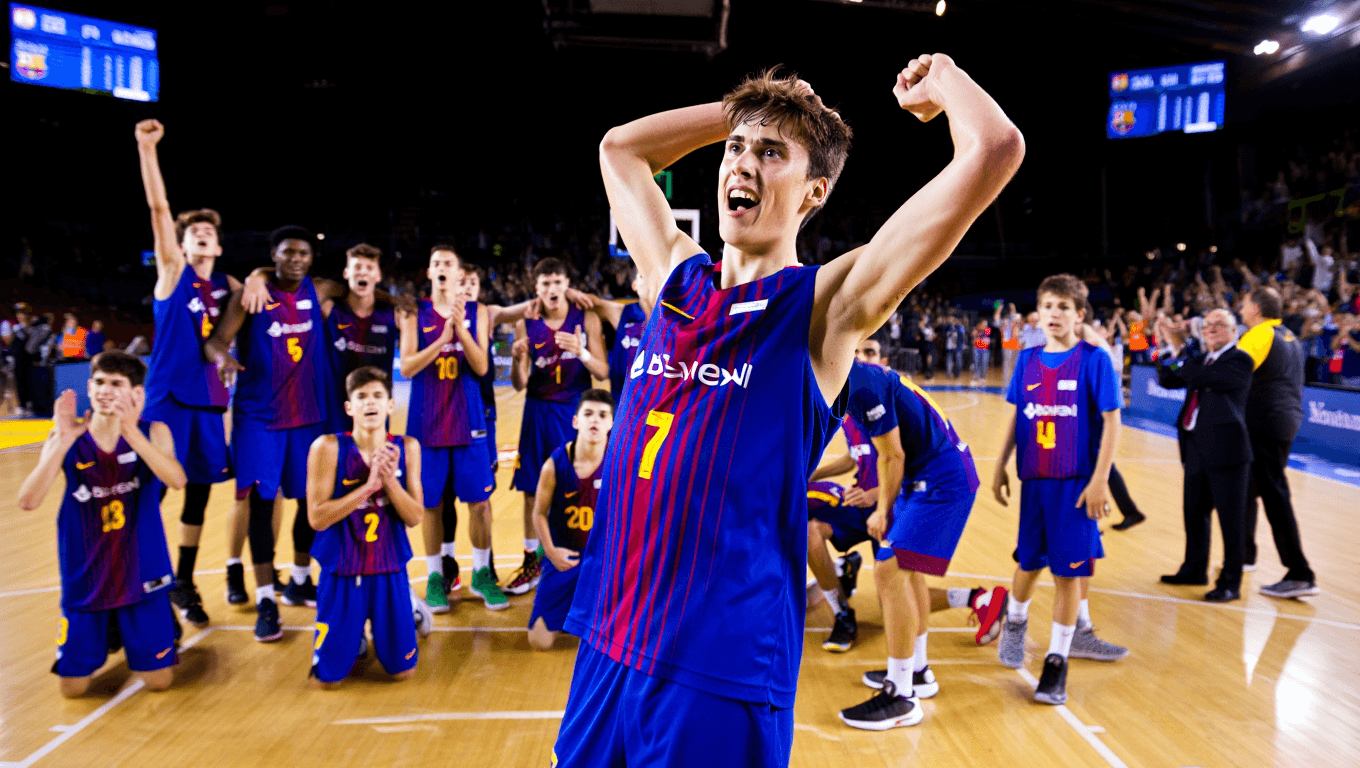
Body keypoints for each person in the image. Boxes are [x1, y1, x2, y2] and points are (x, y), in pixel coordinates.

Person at [556, 56, 1023, 764]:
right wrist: (748, 112)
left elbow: (993, 149)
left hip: (717, 665)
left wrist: (945, 81)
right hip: (611, 639)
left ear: (814, 193)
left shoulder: (822, 310)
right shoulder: (672, 281)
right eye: (737, 149)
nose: (743, 162)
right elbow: (620, 148)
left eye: (771, 153)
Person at [17, 352, 187, 697]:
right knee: (72, 689)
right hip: (87, 570)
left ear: (136, 392)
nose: (105, 390)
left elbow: (177, 480)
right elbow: (28, 501)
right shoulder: (67, 437)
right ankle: (113, 624)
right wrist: (62, 442)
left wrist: (131, 432)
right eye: (99, 382)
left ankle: (155, 622)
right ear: (88, 387)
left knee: (158, 682)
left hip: (142, 568)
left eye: (116, 384)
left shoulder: (153, 431)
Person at [991, 274, 1121, 706]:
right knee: (1028, 563)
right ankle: (1014, 622)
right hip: (1035, 482)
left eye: (1064, 307)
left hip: (1076, 485)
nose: (1055, 314)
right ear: (1038, 313)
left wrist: (1101, 479)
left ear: (1080, 315)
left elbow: (1113, 421)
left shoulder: (1094, 360)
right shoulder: (1026, 361)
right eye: (1048, 306)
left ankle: (1056, 661)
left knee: (1069, 573)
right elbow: (1016, 417)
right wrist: (1000, 464)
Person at [836, 346, 981, 729]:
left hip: (941, 480)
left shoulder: (861, 382)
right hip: (925, 476)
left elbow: (892, 456)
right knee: (908, 571)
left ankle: (900, 695)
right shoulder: (849, 377)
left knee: (888, 570)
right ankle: (917, 672)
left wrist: (881, 509)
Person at [135, 119, 243, 629]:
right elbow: (159, 209)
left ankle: (182, 580)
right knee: (150, 495)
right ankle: (143, 583)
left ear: (219, 246)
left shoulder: (234, 287)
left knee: (198, 497)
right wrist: (147, 149)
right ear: (180, 245)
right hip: (167, 401)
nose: (202, 234)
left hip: (210, 404)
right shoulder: (173, 276)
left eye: (209, 232)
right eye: (192, 232)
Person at [202, 226, 332, 641]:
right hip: (259, 418)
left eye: (303, 253)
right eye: (287, 252)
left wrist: (396, 299)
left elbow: (357, 291)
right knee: (261, 503)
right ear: (274, 255)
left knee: (309, 503)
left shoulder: (321, 289)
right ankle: (265, 600)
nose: (296, 258)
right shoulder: (252, 295)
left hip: (308, 416)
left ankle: (298, 578)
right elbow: (217, 339)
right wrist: (223, 358)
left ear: (311, 258)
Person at [305, 367, 424, 688]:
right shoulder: (327, 448)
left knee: (402, 672)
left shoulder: (407, 447)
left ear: (390, 405)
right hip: (343, 570)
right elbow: (316, 518)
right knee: (329, 680)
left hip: (389, 567)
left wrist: (390, 484)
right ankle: (352, 633)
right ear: (349, 408)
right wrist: (369, 487)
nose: (369, 403)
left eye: (376, 396)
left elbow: (415, 517)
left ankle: (409, 605)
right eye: (361, 397)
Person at [401, 245, 502, 612]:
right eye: (436, 262)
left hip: (470, 421)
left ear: (460, 275)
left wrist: (459, 329)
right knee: (431, 505)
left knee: (480, 504)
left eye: (449, 263)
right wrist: (442, 341)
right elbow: (408, 367)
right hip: (426, 424)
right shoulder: (415, 313)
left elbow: (480, 367)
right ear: (429, 272)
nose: (442, 267)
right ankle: (435, 577)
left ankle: (481, 573)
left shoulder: (479, 312)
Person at [508, 258, 609, 597]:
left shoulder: (587, 318)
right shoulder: (527, 324)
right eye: (545, 284)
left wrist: (580, 351)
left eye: (557, 282)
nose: (552, 289)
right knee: (531, 490)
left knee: (582, 487)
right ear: (536, 290)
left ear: (567, 284)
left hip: (573, 412)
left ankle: (586, 559)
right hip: (537, 411)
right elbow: (520, 383)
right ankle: (531, 560)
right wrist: (516, 358)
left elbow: (603, 371)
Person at [1154, 309, 1253, 602]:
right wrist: (1173, 348)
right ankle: (1194, 568)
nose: (1210, 329)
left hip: (1228, 450)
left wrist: (1185, 362)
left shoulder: (1240, 359)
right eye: (1207, 325)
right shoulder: (1200, 360)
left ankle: (1230, 583)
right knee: (1194, 513)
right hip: (1195, 445)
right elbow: (1167, 379)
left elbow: (1197, 374)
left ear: (1234, 331)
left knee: (1231, 521)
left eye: (1218, 325)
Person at [1237, 287, 1319, 598]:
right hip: (1283, 419)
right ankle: (1244, 556)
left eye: (1244, 304)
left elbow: (1234, 373)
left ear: (1256, 308)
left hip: (1265, 422)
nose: (1241, 309)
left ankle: (1300, 572)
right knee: (1248, 488)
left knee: (1274, 494)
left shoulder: (1258, 335)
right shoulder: (1288, 336)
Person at [528, 389, 615, 651]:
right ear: (576, 421)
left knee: (614, 644)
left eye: (602, 415)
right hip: (566, 558)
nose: (595, 421)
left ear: (612, 423)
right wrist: (551, 552)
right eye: (588, 414)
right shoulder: (555, 465)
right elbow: (539, 513)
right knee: (539, 641)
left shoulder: (619, 462)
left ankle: (593, 611)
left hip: (604, 560)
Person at [972, 317, 991, 383]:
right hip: (976, 348)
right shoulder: (976, 329)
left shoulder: (988, 329)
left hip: (985, 349)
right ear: (980, 323)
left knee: (984, 363)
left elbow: (986, 333)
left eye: (986, 323)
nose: (985, 324)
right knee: (976, 362)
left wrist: (980, 329)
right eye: (983, 323)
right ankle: (976, 375)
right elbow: (973, 334)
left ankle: (982, 377)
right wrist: (977, 329)